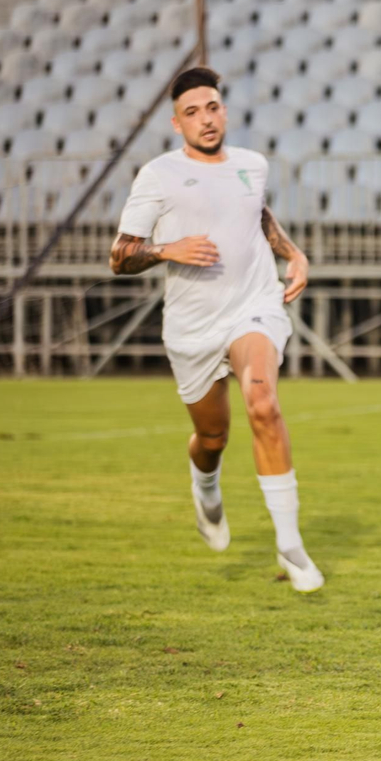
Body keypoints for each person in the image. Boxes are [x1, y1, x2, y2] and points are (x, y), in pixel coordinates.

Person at [109, 67, 324, 593]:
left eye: (212, 107)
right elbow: (120, 255)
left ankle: (291, 545)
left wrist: (292, 254)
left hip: (254, 306)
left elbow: (258, 214)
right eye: (192, 112)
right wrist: (166, 249)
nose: (205, 119)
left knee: (263, 405)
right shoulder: (158, 175)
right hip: (191, 326)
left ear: (224, 110)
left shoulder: (253, 164)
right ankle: (205, 486)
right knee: (213, 436)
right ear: (176, 123)